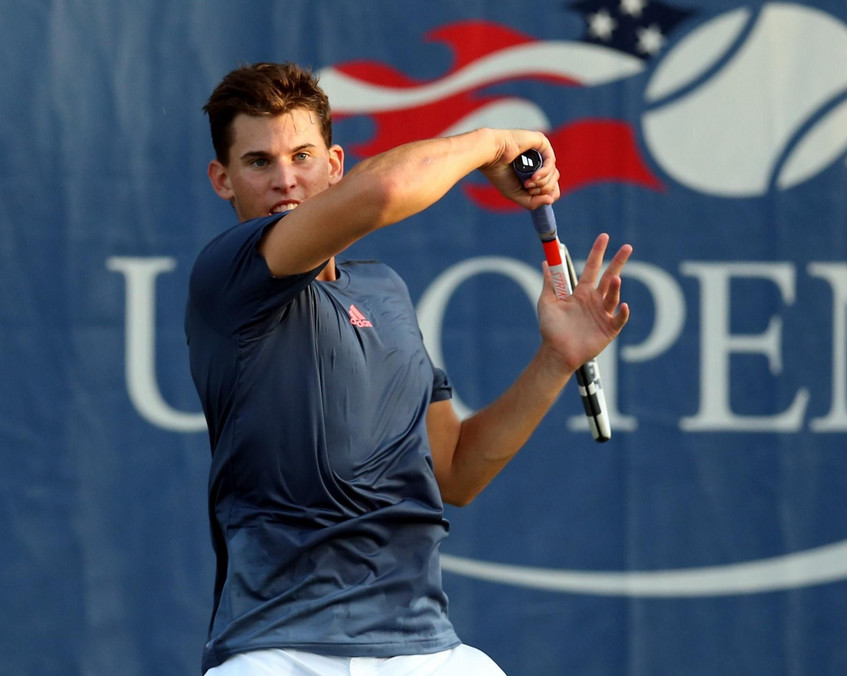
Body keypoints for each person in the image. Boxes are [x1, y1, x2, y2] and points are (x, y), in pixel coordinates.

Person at [187, 62, 632, 675]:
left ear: (334, 164)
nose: (285, 180)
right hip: (278, 652)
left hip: (429, 650)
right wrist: (493, 143)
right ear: (223, 179)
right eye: (259, 162)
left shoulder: (385, 291)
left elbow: (455, 471)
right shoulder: (228, 274)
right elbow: (384, 194)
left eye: (302, 155)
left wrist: (556, 360)